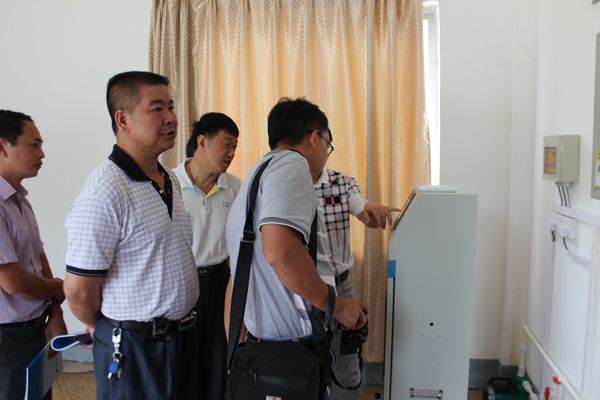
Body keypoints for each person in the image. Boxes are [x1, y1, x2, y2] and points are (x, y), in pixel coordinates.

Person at [63, 71, 199, 400]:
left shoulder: (169, 179)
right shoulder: (105, 191)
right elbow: (78, 290)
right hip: (135, 347)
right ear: (123, 119)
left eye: (170, 107)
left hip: (179, 340)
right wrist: (112, 326)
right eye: (156, 109)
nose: (171, 118)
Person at [225, 98, 368, 391]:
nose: (326, 153)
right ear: (314, 137)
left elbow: (237, 274)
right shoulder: (293, 165)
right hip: (291, 353)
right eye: (328, 144)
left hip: (263, 349)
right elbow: (280, 252)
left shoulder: (255, 177)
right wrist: (335, 305)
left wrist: (238, 349)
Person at [172, 112, 240, 400]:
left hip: (221, 283)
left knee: (217, 359)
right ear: (202, 142)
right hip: (181, 282)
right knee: (182, 360)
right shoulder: (170, 184)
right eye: (226, 144)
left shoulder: (234, 187)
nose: (231, 153)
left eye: (235, 146)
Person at [314, 167, 398, 400]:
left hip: (341, 285)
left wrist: (373, 213)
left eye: (328, 148)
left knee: (346, 361)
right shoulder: (288, 181)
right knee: (305, 360)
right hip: (305, 287)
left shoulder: (342, 182)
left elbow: (364, 212)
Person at [0, 110, 67, 400]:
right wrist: (57, 288)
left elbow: (38, 259)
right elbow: (13, 282)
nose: (42, 153)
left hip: (34, 329)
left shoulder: (20, 200)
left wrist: (54, 309)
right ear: (2, 146)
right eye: (34, 144)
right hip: (7, 338)